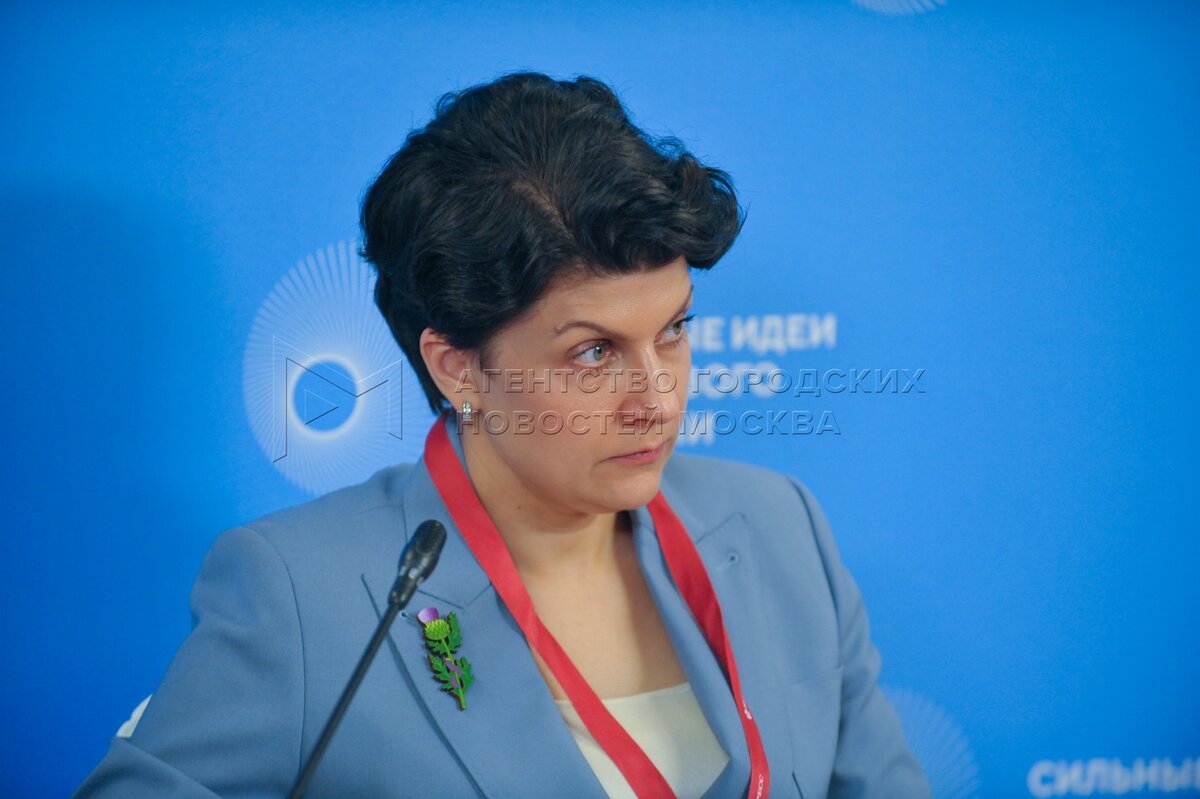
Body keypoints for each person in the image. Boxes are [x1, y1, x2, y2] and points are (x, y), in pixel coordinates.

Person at [74, 71, 930, 799]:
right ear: (458, 369)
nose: (659, 398)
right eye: (594, 352)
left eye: (673, 329)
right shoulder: (302, 597)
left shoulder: (781, 525)